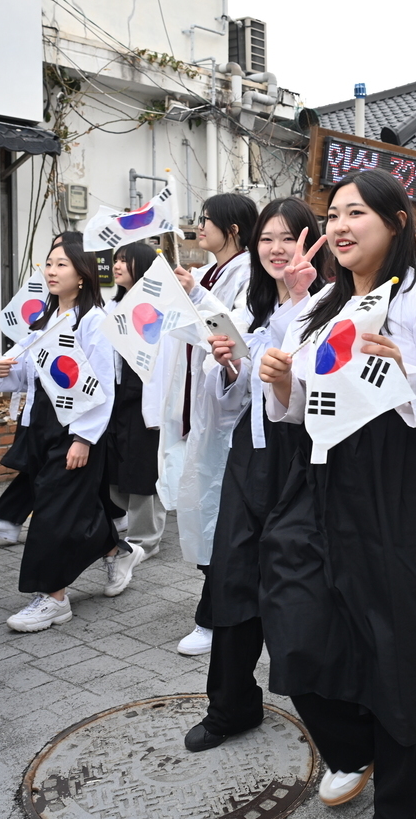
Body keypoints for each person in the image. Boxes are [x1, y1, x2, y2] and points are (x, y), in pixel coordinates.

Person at [258, 169, 416, 815]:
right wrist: (280, 382)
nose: (339, 225)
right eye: (333, 214)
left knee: (397, 646)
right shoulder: (320, 305)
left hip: (402, 476)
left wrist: (404, 370)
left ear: (397, 223)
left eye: (356, 212)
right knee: (293, 617)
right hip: (323, 473)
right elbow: (303, 404)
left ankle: (401, 799)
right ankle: (354, 744)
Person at [185, 198, 323, 753]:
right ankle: (230, 705)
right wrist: (228, 366)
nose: (276, 249)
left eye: (289, 238)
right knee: (232, 573)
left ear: (313, 242)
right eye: (267, 238)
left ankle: (329, 703)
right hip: (253, 451)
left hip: (309, 455)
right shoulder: (248, 307)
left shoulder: (330, 306)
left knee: (302, 583)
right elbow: (234, 399)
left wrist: (298, 297)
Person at [0, 234, 141, 632]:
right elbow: (34, 376)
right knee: (66, 504)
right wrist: (7, 369)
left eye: (61, 264)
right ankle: (114, 549)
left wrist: (84, 438)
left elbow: (103, 385)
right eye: (48, 264)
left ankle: (52, 597)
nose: (51, 271)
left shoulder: (95, 321)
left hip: (75, 427)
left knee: (53, 513)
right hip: (40, 423)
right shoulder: (45, 320)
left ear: (83, 274)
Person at [163, 193, 257, 656]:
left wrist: (196, 295)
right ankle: (217, 602)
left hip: (234, 409)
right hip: (208, 405)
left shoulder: (246, 274)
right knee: (206, 507)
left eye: (207, 221)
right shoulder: (211, 272)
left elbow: (229, 332)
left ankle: (216, 612)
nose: (200, 228)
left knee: (223, 515)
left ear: (233, 229)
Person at [104, 241, 167, 555]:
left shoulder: (155, 304)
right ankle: (132, 524)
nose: (116, 266)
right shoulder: (114, 305)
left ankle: (145, 539)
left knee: (142, 468)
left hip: (145, 395)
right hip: (118, 395)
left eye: (124, 261)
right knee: (118, 465)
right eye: (115, 260)